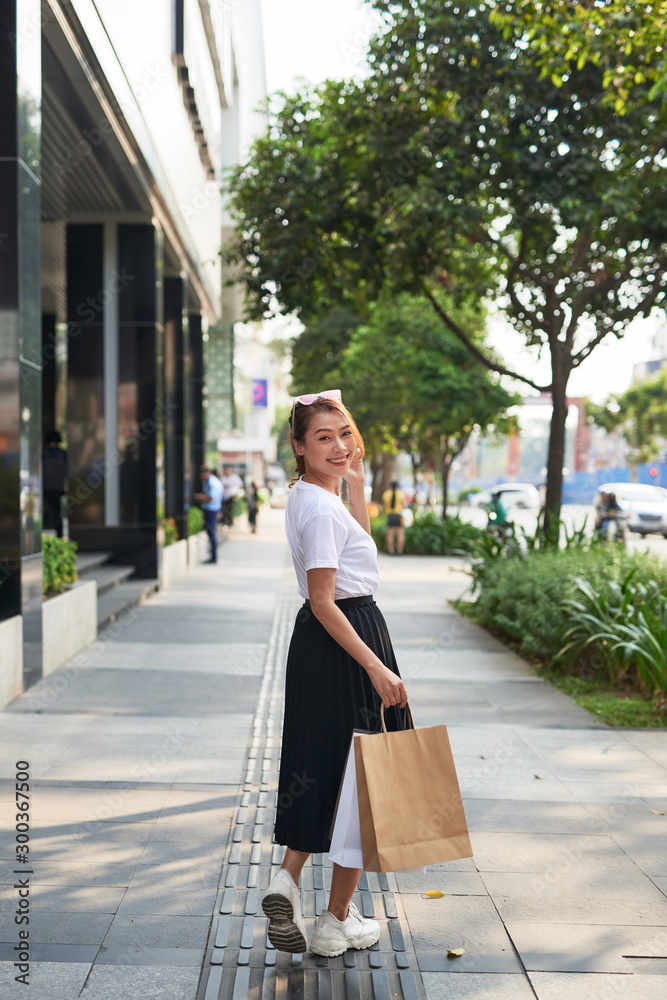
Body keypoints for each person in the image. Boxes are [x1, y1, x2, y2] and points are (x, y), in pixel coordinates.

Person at [261, 388, 408, 958]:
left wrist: (357, 483)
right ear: (298, 446)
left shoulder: (308, 496)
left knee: (327, 762)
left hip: (325, 644)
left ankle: (288, 884)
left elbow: (359, 547)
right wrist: (375, 666)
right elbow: (326, 598)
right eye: (324, 437)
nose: (340, 444)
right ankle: (331, 921)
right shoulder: (320, 507)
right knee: (364, 778)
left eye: (344, 432)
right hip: (346, 640)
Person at [194, 466, 223, 563]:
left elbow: (211, 498)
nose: (201, 479)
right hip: (213, 510)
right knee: (211, 533)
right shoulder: (214, 481)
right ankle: (213, 556)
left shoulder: (212, 483)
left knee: (211, 533)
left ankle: (213, 557)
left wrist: (200, 497)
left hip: (211, 510)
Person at [43, 430, 68, 537]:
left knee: (51, 512)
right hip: (57, 487)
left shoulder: (45, 454)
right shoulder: (62, 454)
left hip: (47, 488)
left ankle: (55, 532)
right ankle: (59, 534)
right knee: (57, 512)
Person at [382, 480, 405, 554]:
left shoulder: (386, 494)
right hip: (399, 515)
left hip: (390, 515)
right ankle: (399, 550)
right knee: (400, 533)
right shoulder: (401, 494)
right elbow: (404, 505)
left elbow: (384, 505)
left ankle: (391, 550)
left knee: (390, 533)